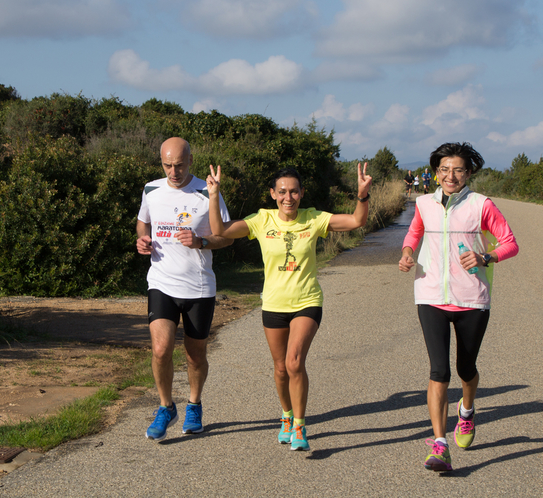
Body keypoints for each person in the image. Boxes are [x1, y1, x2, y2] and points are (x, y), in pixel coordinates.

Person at [206, 163, 372, 451]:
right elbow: (219, 230)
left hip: (307, 301)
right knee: (281, 368)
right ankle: (285, 415)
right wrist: (213, 195)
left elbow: (357, 221)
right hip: (273, 304)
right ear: (272, 193)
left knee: (295, 362)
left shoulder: (314, 219)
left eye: (294, 191)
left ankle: (299, 425)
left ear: (302, 193)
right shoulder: (261, 220)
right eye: (282, 191)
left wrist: (362, 195)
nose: (288, 197)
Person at [398, 142, 519, 471]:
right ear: (435, 172)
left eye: (459, 170)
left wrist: (486, 256)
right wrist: (408, 252)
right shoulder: (424, 203)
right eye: (444, 169)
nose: (451, 176)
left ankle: (466, 411)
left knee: (466, 369)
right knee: (439, 371)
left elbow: (510, 244)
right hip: (431, 294)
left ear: (468, 173)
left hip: (471, 298)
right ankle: (439, 444)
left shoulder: (482, 205)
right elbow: (414, 233)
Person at [136, 137, 233, 440]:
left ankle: (194, 404)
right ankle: (166, 407)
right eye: (167, 165)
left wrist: (201, 241)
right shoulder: (151, 189)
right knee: (161, 349)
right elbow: (143, 223)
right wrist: (142, 239)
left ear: (190, 161)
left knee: (195, 355)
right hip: (161, 282)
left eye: (179, 165)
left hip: (199, 286)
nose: (173, 172)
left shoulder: (207, 192)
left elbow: (227, 236)